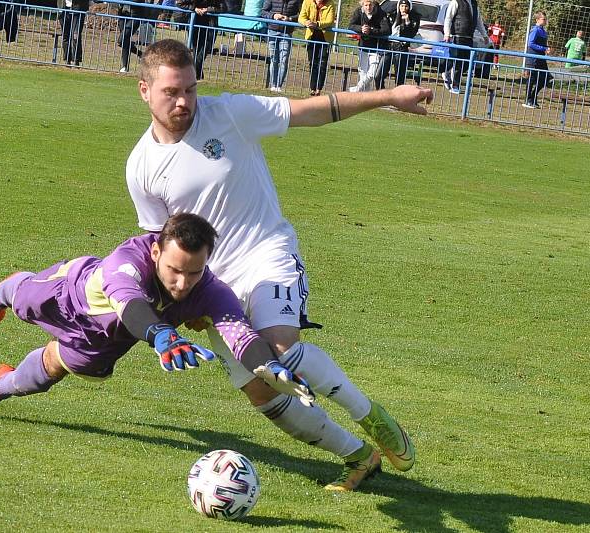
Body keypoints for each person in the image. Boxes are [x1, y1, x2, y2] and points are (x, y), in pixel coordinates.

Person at [127, 39, 433, 490]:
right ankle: (359, 457)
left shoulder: (230, 114)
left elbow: (312, 109)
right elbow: (163, 246)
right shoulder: (141, 166)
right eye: (172, 91)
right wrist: (182, 298)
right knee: (260, 389)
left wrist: (388, 97)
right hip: (212, 285)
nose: (183, 101)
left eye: (190, 90)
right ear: (145, 91)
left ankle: (372, 417)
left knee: (280, 349)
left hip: (267, 253)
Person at [0, 214, 314, 416]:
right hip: (69, 294)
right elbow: (129, 303)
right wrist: (162, 336)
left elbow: (240, 335)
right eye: (174, 269)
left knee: (44, 377)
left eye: (194, 272)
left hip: (107, 338)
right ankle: (4, 289)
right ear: (156, 253)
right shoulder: (128, 259)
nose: (183, 282)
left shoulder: (212, 290)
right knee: (23, 298)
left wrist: (270, 366)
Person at [442, 0, 486, 94]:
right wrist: (447, 33)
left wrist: (485, 35)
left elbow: (478, 22)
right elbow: (448, 18)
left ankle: (448, 74)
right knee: (458, 62)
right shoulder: (456, 2)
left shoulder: (474, 4)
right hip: (457, 36)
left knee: (466, 64)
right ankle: (455, 85)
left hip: (469, 38)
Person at [347, 0, 391, 93]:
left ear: (374, 4)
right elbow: (351, 25)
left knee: (372, 73)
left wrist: (371, 30)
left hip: (376, 48)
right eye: (366, 5)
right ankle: (364, 96)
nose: (368, 7)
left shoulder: (380, 13)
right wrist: (361, 29)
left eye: (370, 4)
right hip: (363, 46)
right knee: (362, 72)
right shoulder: (359, 11)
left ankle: (357, 89)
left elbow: (386, 30)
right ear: (362, 5)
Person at [176, 0, 226, 80]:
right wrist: (194, 8)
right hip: (195, 23)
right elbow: (179, 3)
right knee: (196, 50)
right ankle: (196, 74)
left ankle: (194, 73)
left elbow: (223, 8)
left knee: (205, 49)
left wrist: (208, 9)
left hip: (210, 25)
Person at [377, 0, 420, 88]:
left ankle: (397, 100)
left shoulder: (414, 18)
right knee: (378, 75)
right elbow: (385, 29)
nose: (403, 9)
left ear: (409, 7)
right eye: (402, 6)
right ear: (398, 7)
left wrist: (407, 21)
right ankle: (382, 95)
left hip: (401, 48)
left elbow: (410, 34)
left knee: (399, 79)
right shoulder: (391, 16)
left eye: (406, 6)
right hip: (388, 47)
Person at [261, 0, 301, 93]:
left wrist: (289, 19)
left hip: (287, 32)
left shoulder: (296, 1)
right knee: (273, 59)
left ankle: (279, 86)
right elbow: (263, 12)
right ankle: (273, 85)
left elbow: (301, 15)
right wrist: (273, 16)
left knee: (284, 60)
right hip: (272, 31)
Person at [299, 0, 335, 96]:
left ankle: (319, 89)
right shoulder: (307, 2)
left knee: (322, 64)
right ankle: (312, 88)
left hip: (325, 39)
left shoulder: (330, 4)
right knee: (313, 63)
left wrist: (317, 24)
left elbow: (330, 21)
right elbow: (301, 17)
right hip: (311, 37)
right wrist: (306, 22)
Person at [523, 11, 552, 109]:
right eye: (543, 19)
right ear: (537, 19)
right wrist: (544, 49)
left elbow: (542, 44)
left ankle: (533, 97)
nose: (545, 21)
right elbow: (530, 43)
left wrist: (547, 48)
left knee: (545, 78)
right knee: (531, 79)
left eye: (545, 19)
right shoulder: (535, 30)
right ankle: (527, 100)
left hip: (541, 58)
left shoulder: (543, 31)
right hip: (533, 58)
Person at [118, 0, 153, 72]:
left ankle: (125, 66)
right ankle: (139, 55)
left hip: (135, 15)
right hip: (122, 13)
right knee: (124, 41)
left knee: (122, 39)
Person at [59, 0, 89, 66]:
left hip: (78, 10)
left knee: (75, 35)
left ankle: (76, 60)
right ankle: (67, 60)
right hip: (65, 10)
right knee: (65, 36)